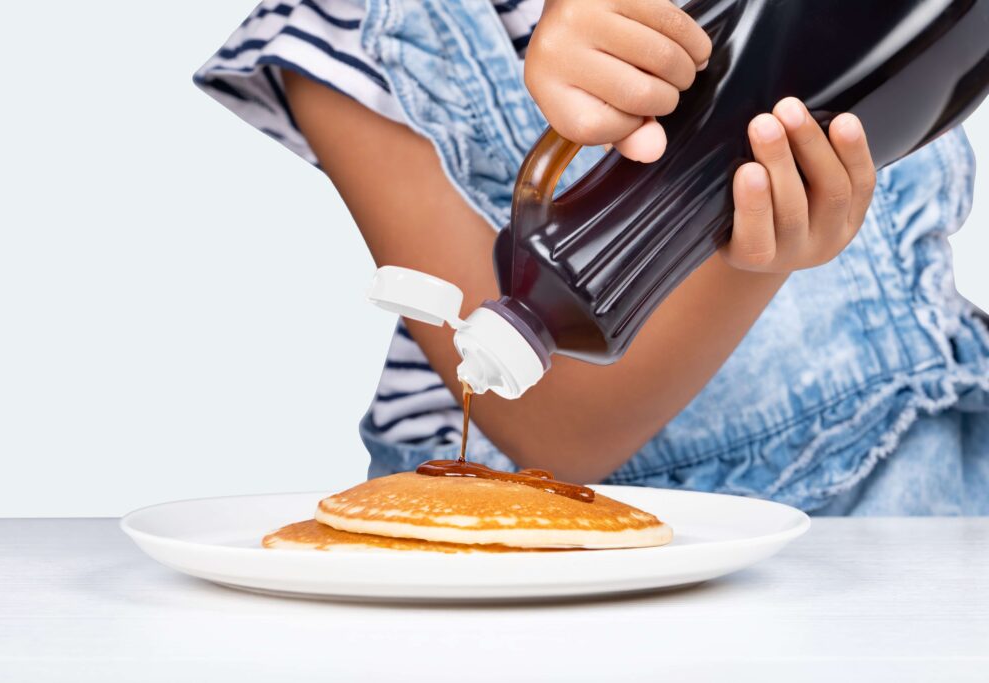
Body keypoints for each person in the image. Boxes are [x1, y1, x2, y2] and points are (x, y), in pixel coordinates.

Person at [195, 0, 988, 515]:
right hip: (532, 581)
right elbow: (561, 430)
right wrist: (759, 251)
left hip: (918, 512)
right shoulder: (373, 26)